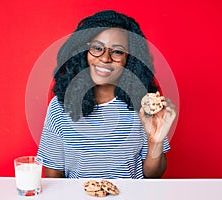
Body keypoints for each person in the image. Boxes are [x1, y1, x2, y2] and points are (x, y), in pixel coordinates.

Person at [37, 10, 177, 179]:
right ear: (84, 51)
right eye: (97, 48)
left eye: (117, 51)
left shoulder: (143, 106)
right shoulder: (60, 107)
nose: (105, 58)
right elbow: (54, 175)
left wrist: (155, 141)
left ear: (130, 59)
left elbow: (153, 176)